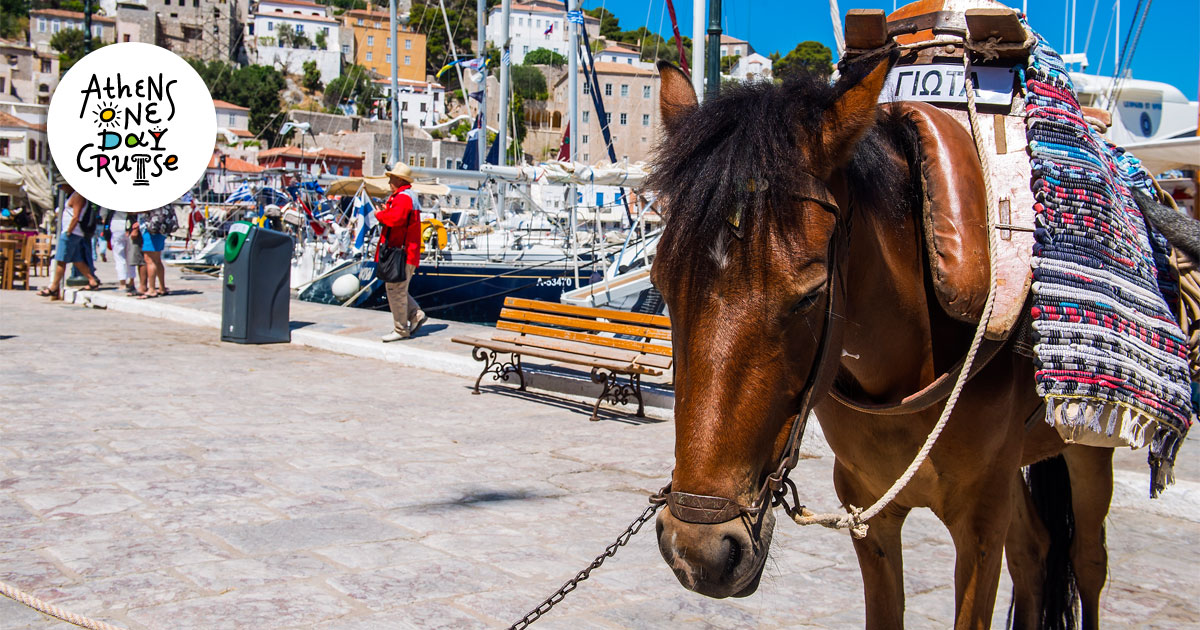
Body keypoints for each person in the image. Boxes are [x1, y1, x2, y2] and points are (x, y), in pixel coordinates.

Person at [375, 163, 426, 342]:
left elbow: (395, 220)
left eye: (392, 177)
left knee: (395, 289)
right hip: (406, 252)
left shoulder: (403, 198)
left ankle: (401, 328)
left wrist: (379, 215)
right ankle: (415, 315)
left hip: (401, 253)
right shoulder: (407, 197)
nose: (389, 181)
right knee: (398, 288)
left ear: (399, 179)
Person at [38, 185, 101, 299]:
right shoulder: (71, 196)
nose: (61, 188)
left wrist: (68, 232)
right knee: (77, 260)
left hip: (71, 233)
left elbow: (76, 217)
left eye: (62, 185)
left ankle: (53, 287)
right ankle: (92, 281)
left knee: (61, 260)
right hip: (72, 232)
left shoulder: (78, 196)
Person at [139, 205, 177, 298]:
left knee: (150, 260)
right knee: (157, 260)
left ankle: (151, 289)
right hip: (161, 229)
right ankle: (162, 287)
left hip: (151, 229)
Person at [105, 208, 135, 293]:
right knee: (130, 256)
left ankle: (122, 284)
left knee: (119, 257)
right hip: (130, 226)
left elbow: (104, 213)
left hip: (117, 227)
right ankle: (131, 281)